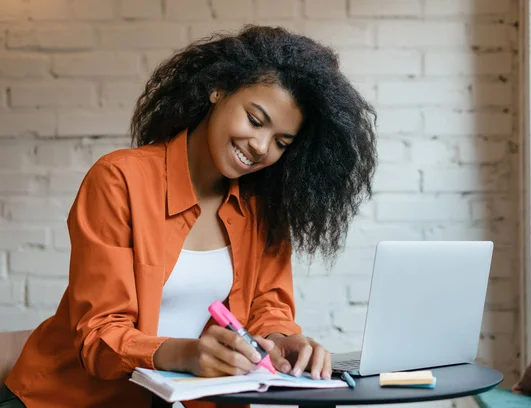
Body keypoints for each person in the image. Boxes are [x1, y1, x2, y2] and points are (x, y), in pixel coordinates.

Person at [1, 25, 377, 408]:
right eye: (254, 119)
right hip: (66, 400)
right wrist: (188, 355)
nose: (261, 147)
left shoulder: (264, 207)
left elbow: (268, 308)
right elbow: (99, 336)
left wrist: (282, 341)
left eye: (282, 142)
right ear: (218, 90)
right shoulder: (120, 180)